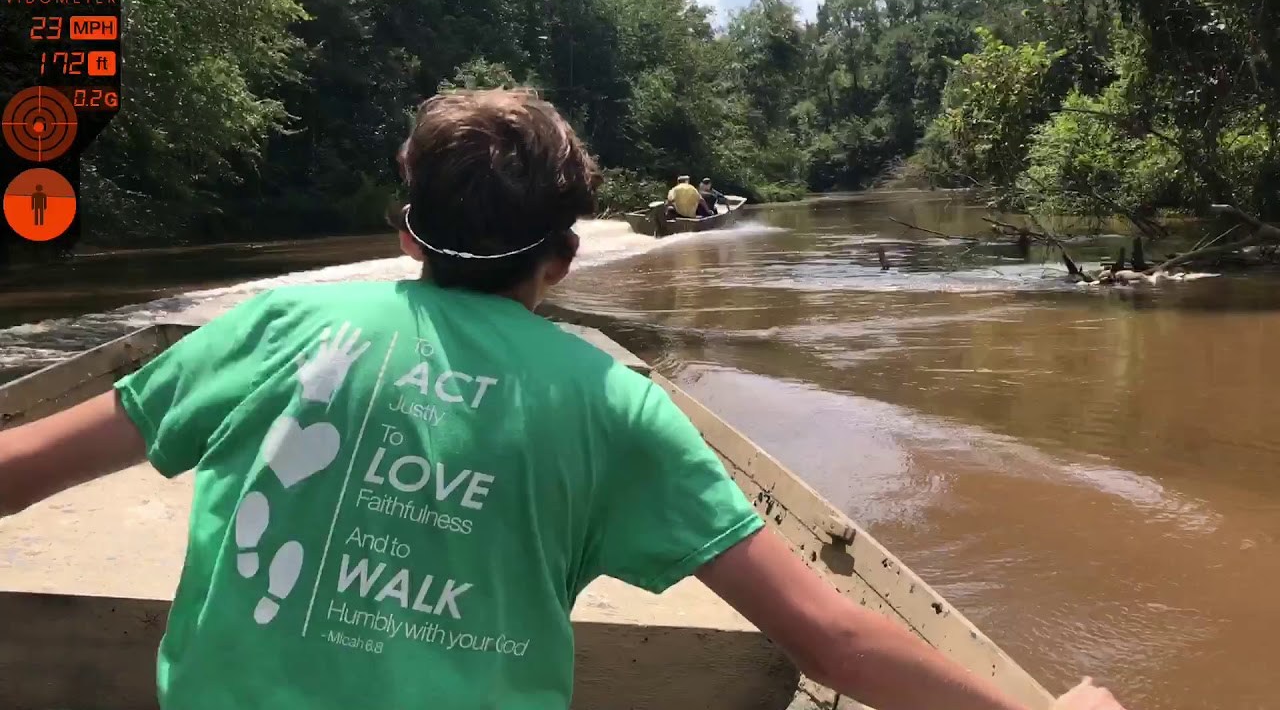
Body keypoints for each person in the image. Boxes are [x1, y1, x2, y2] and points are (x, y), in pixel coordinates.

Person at [0, 88, 1127, 710]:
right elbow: (831, 641)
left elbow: (17, 472)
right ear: (566, 260)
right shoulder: (615, 404)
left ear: (407, 237)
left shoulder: (275, 328)